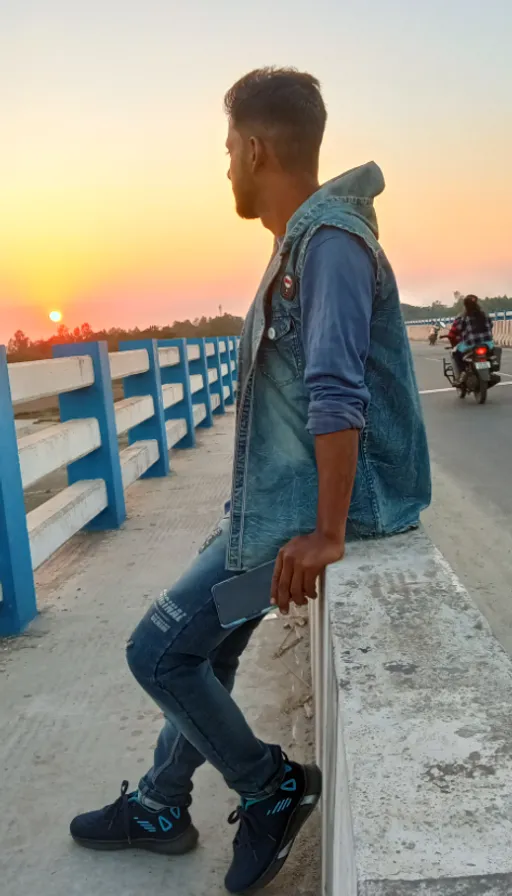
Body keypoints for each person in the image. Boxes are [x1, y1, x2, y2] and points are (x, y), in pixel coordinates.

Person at [70, 68, 431, 894]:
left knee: (157, 651)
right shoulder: (302, 243)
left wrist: (329, 532)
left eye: (229, 148)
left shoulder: (328, 245)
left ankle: (270, 787)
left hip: (305, 518)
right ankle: (162, 804)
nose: (226, 165)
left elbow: (336, 390)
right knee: (211, 643)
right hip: (269, 509)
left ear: (257, 147)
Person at [447, 295, 494, 380]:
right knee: (492, 353)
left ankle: (462, 373)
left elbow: (458, 328)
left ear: (465, 305)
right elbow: (491, 325)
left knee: (455, 353)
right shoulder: (485, 315)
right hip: (488, 343)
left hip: (471, 344)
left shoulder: (463, 317)